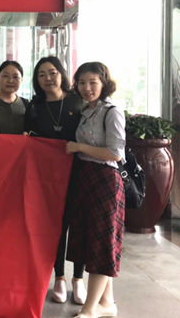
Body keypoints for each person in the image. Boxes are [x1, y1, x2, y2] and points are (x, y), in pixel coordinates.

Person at [65, 62, 126, 318]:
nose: (87, 87)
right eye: (82, 82)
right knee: (94, 241)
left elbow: (115, 153)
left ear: (104, 83)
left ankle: (89, 310)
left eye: (93, 82)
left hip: (105, 181)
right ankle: (107, 304)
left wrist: (79, 147)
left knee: (102, 244)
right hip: (86, 179)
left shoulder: (112, 111)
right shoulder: (86, 110)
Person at [23, 56, 86, 305]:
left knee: (79, 225)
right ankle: (59, 277)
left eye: (52, 72)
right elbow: (28, 138)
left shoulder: (78, 101)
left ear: (62, 73)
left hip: (80, 171)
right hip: (48, 177)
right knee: (56, 226)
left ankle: (78, 279)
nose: (48, 78)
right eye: (41, 75)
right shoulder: (34, 106)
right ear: (36, 80)